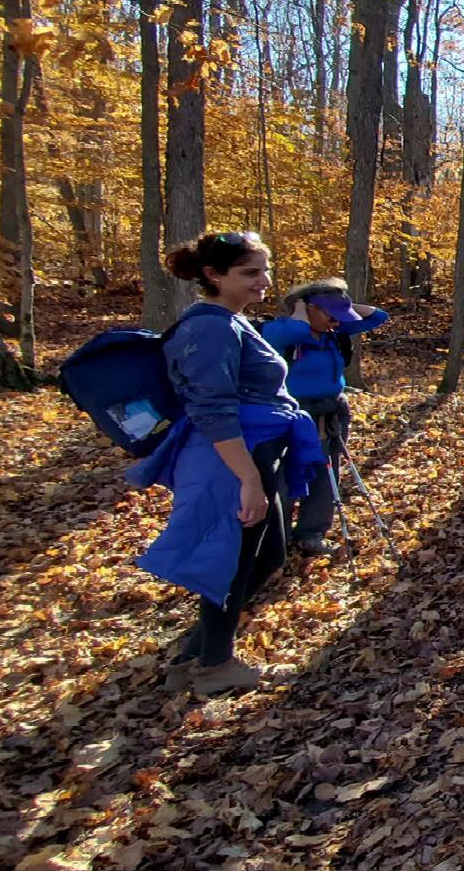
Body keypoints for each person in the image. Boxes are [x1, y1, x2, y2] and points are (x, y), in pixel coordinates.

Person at [132, 231, 327, 696]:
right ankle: (215, 665)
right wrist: (248, 479)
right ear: (213, 276)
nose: (264, 281)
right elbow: (212, 408)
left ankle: (194, 656)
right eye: (250, 273)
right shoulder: (209, 327)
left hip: (258, 452)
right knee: (234, 559)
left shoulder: (233, 322)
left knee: (269, 555)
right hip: (231, 459)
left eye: (264, 270)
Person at [260, 277, 390, 558]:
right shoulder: (280, 329)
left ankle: (311, 533)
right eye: (331, 315)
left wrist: (341, 305)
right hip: (293, 414)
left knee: (325, 470)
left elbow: (378, 317)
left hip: (332, 411)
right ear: (309, 310)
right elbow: (289, 334)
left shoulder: (333, 331)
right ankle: (275, 540)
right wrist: (300, 310)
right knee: (287, 475)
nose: (336, 321)